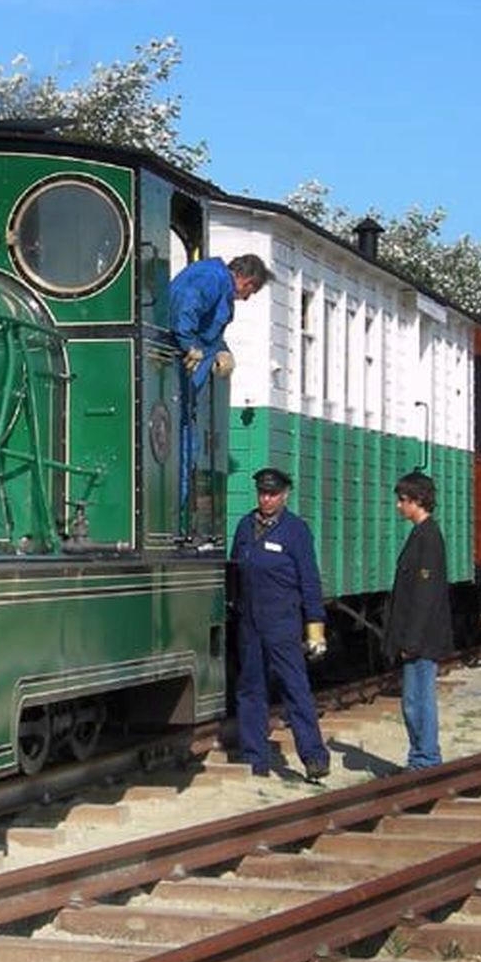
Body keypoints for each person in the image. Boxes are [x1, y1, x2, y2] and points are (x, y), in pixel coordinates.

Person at [229, 466, 331, 782]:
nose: (266, 499)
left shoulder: (295, 531)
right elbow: (234, 571)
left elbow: (310, 581)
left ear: (285, 495)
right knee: (250, 690)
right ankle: (254, 759)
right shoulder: (246, 526)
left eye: (272, 494)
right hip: (250, 623)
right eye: (262, 493)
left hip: (283, 623)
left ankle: (314, 757)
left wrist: (315, 626)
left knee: (295, 688)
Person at [168, 253, 269, 525]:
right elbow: (187, 304)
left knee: (188, 444)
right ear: (246, 280)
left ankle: (177, 517)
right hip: (180, 376)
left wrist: (222, 351)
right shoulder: (212, 278)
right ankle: (172, 519)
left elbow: (208, 330)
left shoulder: (214, 279)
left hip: (189, 383)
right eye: (251, 291)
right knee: (182, 446)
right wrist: (188, 344)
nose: (246, 298)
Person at [384, 471, 453, 769]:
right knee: (412, 701)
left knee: (417, 702)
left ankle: (425, 760)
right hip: (418, 638)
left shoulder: (428, 538)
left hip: (422, 640)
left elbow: (425, 596)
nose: (399, 506)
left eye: (403, 500)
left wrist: (411, 640)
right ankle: (421, 757)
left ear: (418, 501)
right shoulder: (421, 535)